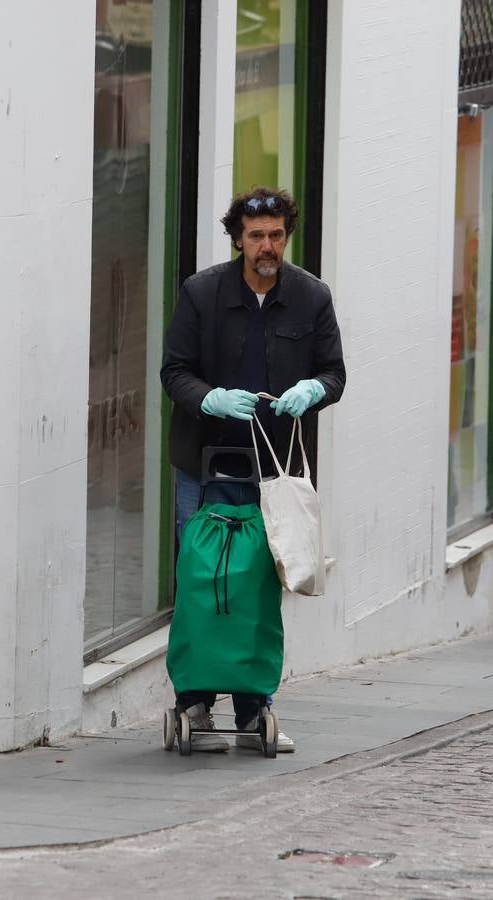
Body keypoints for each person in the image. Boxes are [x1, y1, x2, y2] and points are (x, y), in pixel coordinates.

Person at [160, 187, 346, 751]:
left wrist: (312, 390)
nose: (267, 246)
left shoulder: (311, 298)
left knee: (260, 587)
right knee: (201, 583)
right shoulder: (202, 294)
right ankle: (193, 702)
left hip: (274, 472)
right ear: (237, 238)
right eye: (256, 236)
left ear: (286, 235)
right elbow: (175, 371)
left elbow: (334, 373)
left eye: (276, 235)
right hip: (203, 462)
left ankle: (253, 706)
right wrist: (210, 397)